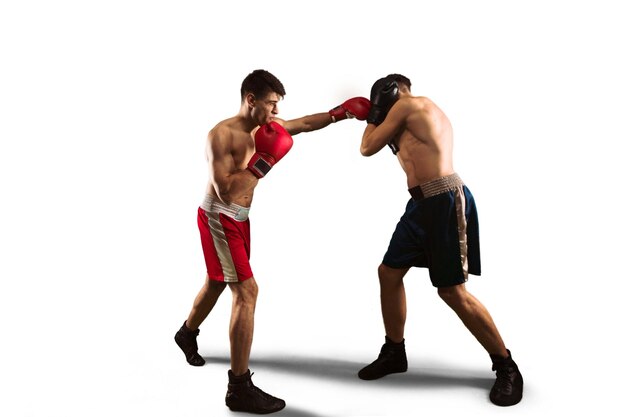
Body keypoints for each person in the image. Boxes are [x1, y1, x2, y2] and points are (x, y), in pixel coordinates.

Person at [174, 69, 370, 414]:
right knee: (246, 292)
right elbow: (227, 190)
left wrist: (340, 113)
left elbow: (306, 124)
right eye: (271, 104)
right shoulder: (220, 135)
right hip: (220, 216)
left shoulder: (264, 128)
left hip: (239, 218)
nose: (276, 113)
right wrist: (265, 160)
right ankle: (239, 388)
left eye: (278, 106)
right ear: (251, 100)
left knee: (218, 281)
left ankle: (187, 333)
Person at [357, 74, 523, 407]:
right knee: (388, 273)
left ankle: (506, 365)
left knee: (452, 291)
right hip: (420, 205)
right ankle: (394, 352)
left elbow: (366, 148)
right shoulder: (407, 120)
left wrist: (371, 113)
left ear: (392, 91)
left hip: (445, 200)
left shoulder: (408, 105)